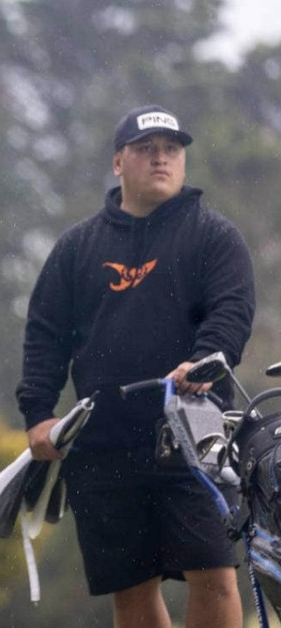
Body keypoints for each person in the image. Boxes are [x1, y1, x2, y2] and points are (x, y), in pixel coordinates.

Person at [17, 104, 256, 628]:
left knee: (214, 576)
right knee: (130, 588)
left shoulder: (214, 236)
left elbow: (231, 311)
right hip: (102, 440)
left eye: (171, 150)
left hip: (196, 437)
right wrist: (37, 415)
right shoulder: (77, 247)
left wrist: (204, 362)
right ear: (118, 163)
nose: (160, 159)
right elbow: (46, 336)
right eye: (146, 149)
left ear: (183, 161)